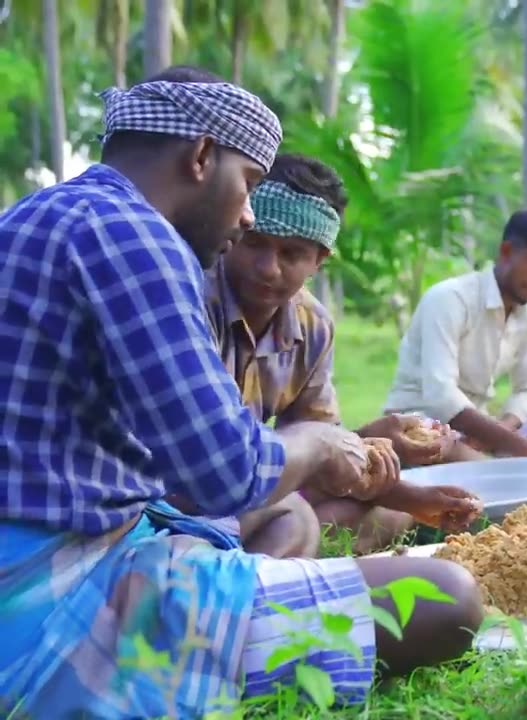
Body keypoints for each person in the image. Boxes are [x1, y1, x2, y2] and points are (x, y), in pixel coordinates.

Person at [0, 67, 483, 719]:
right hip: (47, 605)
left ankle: (230, 604)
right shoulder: (136, 236)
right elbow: (226, 473)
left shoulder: (36, 214)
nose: (249, 213)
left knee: (297, 517)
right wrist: (315, 444)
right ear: (202, 157)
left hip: (85, 538)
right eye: (250, 185)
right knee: (443, 597)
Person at [205, 153, 484, 558]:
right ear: (235, 231)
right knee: (296, 513)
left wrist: (410, 495)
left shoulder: (311, 325)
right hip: (190, 493)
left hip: (257, 485)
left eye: (292, 254)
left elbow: (318, 448)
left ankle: (277, 546)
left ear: (319, 260)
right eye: (256, 244)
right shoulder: (194, 299)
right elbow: (215, 461)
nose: (268, 268)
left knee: (392, 516)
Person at [383, 208, 527, 458]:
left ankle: (501, 462)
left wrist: (503, 432)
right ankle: (504, 465)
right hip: (423, 427)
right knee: (470, 460)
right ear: (506, 252)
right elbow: (441, 396)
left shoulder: (526, 312)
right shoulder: (450, 299)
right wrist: (516, 445)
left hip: (481, 433)